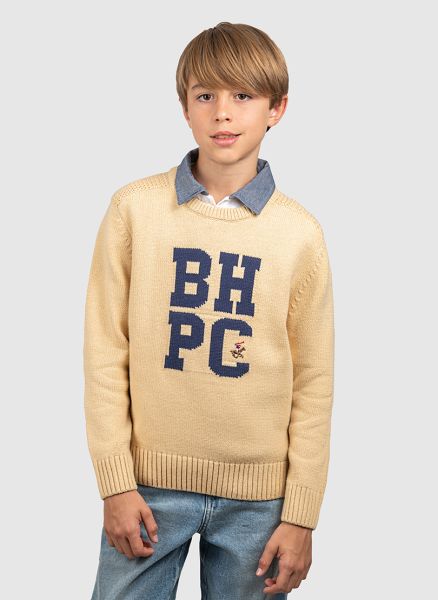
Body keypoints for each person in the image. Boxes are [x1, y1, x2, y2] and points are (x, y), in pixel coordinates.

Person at [83, 21, 335, 599]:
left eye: (243, 95)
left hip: (261, 503)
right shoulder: (133, 211)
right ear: (184, 107)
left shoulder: (300, 235)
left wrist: (301, 515)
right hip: (146, 489)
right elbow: (104, 353)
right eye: (205, 96)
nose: (223, 112)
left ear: (277, 108)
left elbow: (314, 382)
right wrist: (115, 482)